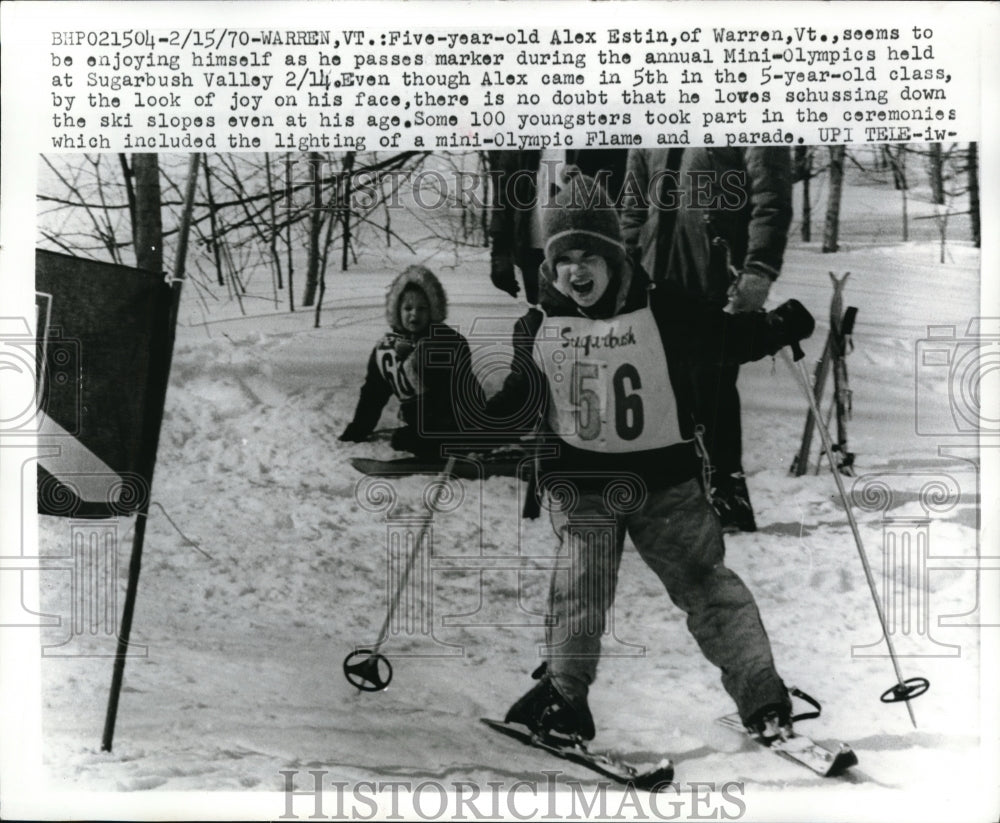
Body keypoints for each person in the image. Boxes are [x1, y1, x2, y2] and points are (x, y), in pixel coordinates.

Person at [483, 169, 814, 742]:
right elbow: (521, 397)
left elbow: (724, 340)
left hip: (665, 482)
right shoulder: (536, 326)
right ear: (549, 265)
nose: (577, 271)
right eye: (564, 258)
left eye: (591, 255)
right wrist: (479, 422)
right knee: (579, 586)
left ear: (616, 256)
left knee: (705, 585)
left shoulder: (661, 308)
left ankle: (764, 696)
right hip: (584, 481)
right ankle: (565, 696)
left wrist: (777, 327)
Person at [621, 148, 793, 532]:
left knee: (711, 387)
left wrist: (760, 267)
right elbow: (634, 204)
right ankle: (677, 501)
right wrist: (625, 263)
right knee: (665, 394)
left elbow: (772, 197)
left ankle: (726, 498)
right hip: (653, 274)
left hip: (713, 275)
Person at [339, 265, 485, 458]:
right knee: (404, 439)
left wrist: (419, 360)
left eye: (422, 309)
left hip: (459, 418)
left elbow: (453, 394)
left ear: (433, 310)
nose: (414, 315)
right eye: (408, 308)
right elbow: (373, 393)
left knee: (409, 439)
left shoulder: (449, 342)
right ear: (397, 311)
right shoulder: (386, 350)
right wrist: (359, 429)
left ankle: (465, 442)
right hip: (423, 423)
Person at [487, 150, 628, 304]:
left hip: (586, 251)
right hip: (534, 251)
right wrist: (499, 254)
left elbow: (621, 192)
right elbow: (504, 199)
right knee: (544, 320)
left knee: (591, 322)